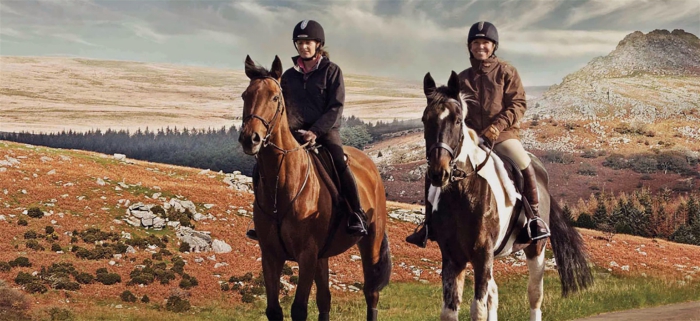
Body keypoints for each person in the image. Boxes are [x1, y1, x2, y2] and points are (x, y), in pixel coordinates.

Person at [406, 21, 550, 247]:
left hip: (502, 136)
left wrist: (498, 126)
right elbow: (451, 106)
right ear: (469, 47)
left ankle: (535, 220)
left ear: (494, 46)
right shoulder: (462, 78)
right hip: (472, 139)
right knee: (434, 168)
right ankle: (428, 224)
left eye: (485, 43)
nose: (480, 47)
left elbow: (518, 104)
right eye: (476, 43)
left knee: (523, 163)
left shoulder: (506, 72)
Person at [246, 19, 368, 240]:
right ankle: (262, 217)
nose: (303, 47)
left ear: (318, 44)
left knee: (339, 162)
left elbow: (335, 107)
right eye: (299, 43)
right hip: (293, 133)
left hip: (324, 132)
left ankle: (355, 213)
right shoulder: (289, 76)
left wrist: (315, 132)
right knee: (261, 164)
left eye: (308, 42)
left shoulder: (332, 71)